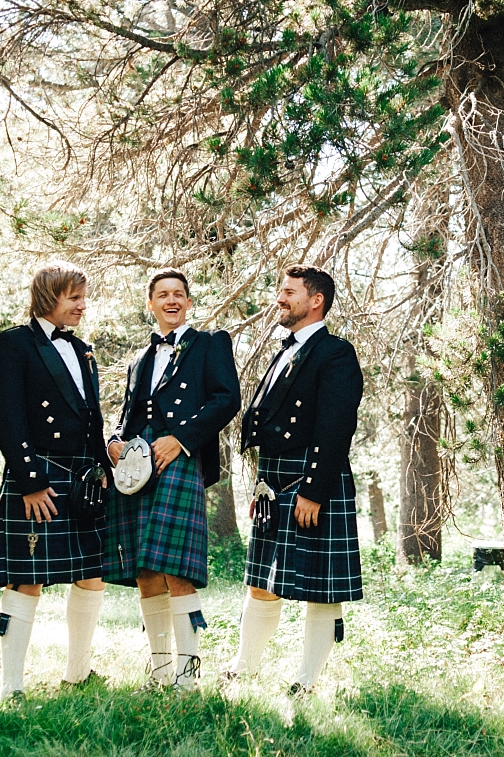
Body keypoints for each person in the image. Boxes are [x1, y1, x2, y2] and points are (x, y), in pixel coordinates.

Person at [226, 266, 363, 694]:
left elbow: (336, 427)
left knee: (321, 589)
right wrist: (262, 481)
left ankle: (305, 681)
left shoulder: (335, 352)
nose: (280, 298)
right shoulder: (285, 348)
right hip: (276, 477)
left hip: (310, 479)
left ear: (315, 299)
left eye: (289, 292)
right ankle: (243, 669)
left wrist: (314, 491)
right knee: (262, 581)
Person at [0, 262, 113, 698]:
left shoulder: (81, 350)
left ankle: (78, 672)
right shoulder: (15, 343)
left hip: (82, 476)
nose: (81, 305)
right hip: (40, 474)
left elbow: (91, 418)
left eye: (82, 296)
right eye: (73, 297)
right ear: (48, 297)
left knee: (91, 573)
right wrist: (30, 481)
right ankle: (11, 685)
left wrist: (102, 471)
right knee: (27, 576)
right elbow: (6, 415)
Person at [103, 269, 241, 688]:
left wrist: (181, 439)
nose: (171, 300)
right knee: (146, 570)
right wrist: (114, 441)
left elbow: (226, 399)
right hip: (137, 463)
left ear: (188, 302)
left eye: (179, 294)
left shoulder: (209, 344)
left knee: (176, 568)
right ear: (151, 304)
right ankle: (161, 671)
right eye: (162, 295)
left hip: (178, 459)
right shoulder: (140, 359)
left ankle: (188, 674)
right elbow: (129, 416)